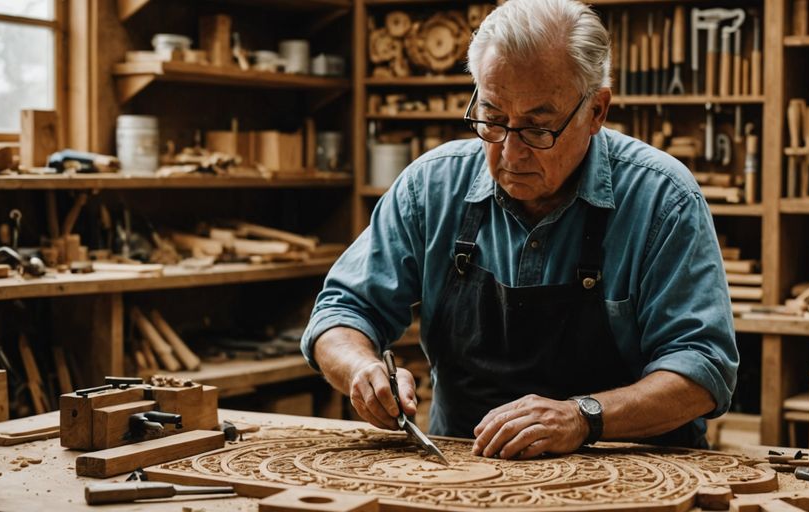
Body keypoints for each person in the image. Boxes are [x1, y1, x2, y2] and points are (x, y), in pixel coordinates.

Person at [301, 0, 738, 459]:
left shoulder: (661, 199)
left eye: (538, 128)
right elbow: (341, 311)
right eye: (492, 118)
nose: (510, 153)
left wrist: (584, 416)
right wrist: (361, 369)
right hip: (466, 468)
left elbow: (703, 369)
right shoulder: (432, 186)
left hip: (631, 470)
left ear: (596, 111)